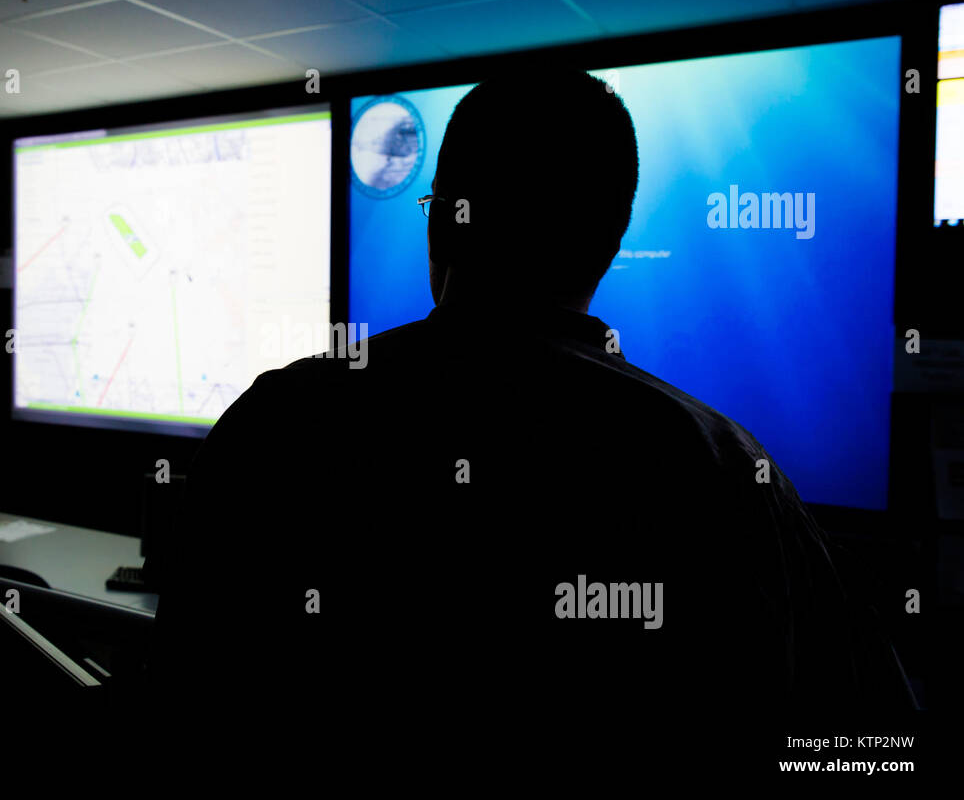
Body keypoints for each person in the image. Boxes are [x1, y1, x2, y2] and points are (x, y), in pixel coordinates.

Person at [151, 69, 914, 752]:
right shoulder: (723, 470)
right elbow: (871, 738)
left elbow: (179, 695)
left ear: (443, 220)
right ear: (611, 243)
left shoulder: (278, 423)